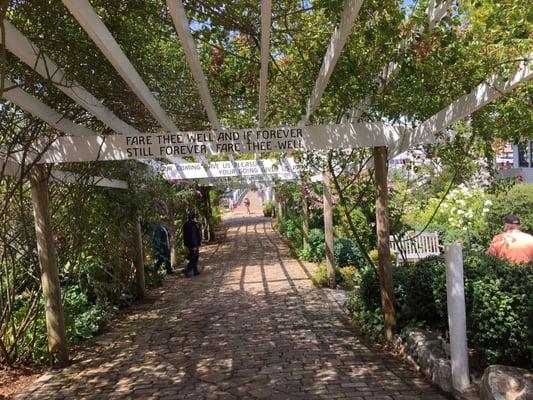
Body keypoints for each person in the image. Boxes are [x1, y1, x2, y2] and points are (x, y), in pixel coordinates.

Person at [182, 212, 202, 277]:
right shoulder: (193, 224)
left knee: (193, 257)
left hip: (188, 244)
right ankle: (187, 270)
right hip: (193, 244)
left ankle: (195, 271)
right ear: (194, 217)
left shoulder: (185, 224)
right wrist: (195, 245)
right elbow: (194, 236)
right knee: (194, 257)